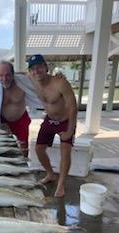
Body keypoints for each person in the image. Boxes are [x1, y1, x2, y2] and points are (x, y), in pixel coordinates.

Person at [28, 54, 77, 198]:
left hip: (65, 120)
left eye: (39, 67)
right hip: (50, 119)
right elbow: (16, 74)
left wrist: (69, 131)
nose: (36, 71)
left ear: (46, 68)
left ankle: (61, 184)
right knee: (38, 148)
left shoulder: (60, 83)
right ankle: (50, 174)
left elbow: (73, 107)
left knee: (65, 151)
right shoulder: (32, 78)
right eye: (33, 69)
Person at [0, 61, 42, 156]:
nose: (4, 79)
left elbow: (43, 82)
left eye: (8, 75)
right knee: (3, 150)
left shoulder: (24, 82)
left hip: (20, 122)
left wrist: (57, 78)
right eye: (1, 75)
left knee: (23, 150)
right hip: (2, 122)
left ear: (13, 74)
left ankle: (23, 170)